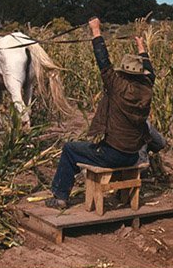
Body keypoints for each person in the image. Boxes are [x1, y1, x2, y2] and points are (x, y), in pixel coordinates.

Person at [45, 17, 155, 210]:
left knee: (70, 149)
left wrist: (96, 31)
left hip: (114, 154)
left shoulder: (117, 86)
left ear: (123, 73)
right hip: (133, 155)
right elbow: (150, 71)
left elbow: (102, 61)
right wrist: (141, 46)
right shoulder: (147, 88)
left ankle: (60, 197)